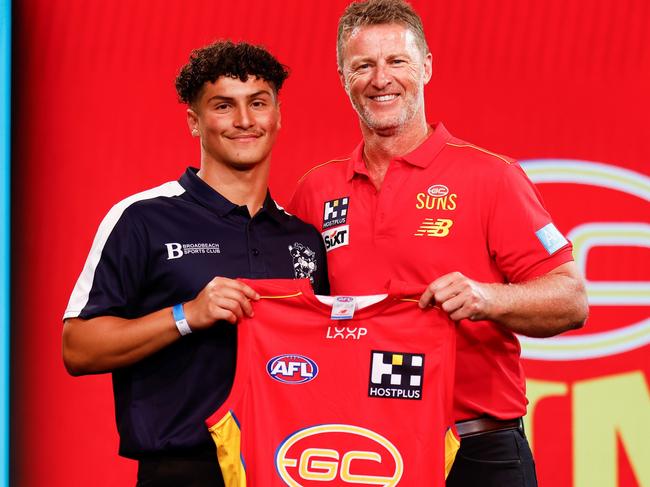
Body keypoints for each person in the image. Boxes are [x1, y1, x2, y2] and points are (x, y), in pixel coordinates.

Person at [287, 1, 589, 485]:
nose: (380, 78)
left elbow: (572, 300)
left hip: (477, 448)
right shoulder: (315, 191)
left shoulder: (491, 177)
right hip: (360, 448)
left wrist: (486, 296)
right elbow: (297, 313)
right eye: (363, 65)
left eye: (397, 61)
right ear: (342, 75)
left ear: (426, 65)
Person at [62, 40, 328, 487]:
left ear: (277, 116)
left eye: (258, 104)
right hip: (182, 469)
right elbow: (78, 347)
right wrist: (187, 315)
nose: (244, 121)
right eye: (224, 105)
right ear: (194, 120)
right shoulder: (142, 218)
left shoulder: (303, 239)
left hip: (289, 468)